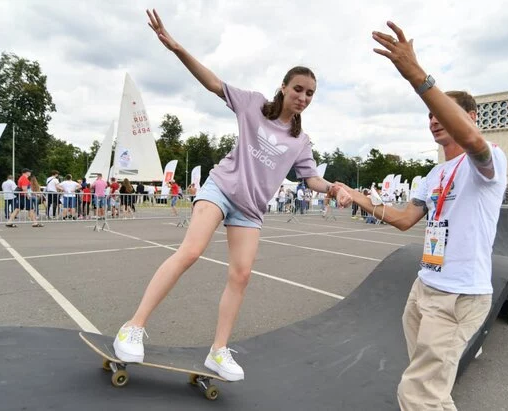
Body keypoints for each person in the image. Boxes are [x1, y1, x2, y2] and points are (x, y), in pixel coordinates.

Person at [112, 7, 352, 383]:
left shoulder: (300, 140)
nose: (304, 97)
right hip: (220, 189)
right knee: (190, 251)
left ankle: (217, 351)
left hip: (250, 210)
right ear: (284, 88)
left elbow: (310, 179)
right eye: (299, 89)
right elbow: (212, 82)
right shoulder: (254, 104)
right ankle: (133, 326)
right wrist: (176, 47)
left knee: (240, 276)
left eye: (310, 94)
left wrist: (334, 186)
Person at [335, 22, 507, 410]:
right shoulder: (433, 175)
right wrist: (358, 197)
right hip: (424, 287)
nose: (433, 119)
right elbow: (402, 219)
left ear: (470, 117)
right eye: (429, 113)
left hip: (459, 295)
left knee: (415, 394)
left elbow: (473, 141)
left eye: (442, 112)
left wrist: (416, 75)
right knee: (432, 388)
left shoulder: (487, 158)